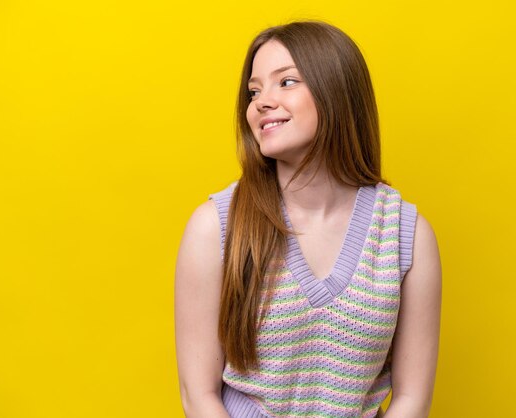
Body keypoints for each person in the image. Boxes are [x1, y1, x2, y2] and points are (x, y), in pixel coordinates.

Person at [175, 20, 442, 418]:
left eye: (286, 82)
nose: (261, 101)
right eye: (254, 90)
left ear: (336, 90)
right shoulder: (215, 227)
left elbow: (412, 399)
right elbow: (198, 396)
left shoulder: (405, 235)